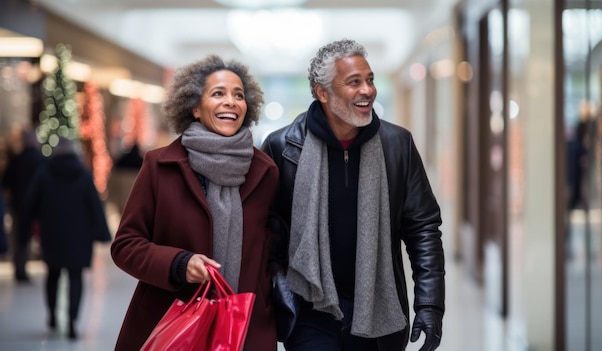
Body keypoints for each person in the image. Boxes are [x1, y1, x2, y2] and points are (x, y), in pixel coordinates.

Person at [261, 38, 445, 351]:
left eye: (370, 79)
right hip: (309, 312)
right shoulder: (283, 147)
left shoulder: (397, 144)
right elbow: (265, 233)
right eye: (354, 82)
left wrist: (429, 304)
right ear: (322, 92)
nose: (367, 90)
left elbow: (423, 228)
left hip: (377, 312)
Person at [110, 55, 279, 351]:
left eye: (238, 95)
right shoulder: (160, 166)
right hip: (174, 326)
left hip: (244, 329)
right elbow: (125, 245)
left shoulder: (265, 172)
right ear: (195, 108)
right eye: (218, 93)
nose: (230, 101)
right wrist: (178, 264)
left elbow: (272, 251)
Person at [20, 137, 111, 339]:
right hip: (80, 237)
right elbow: (96, 207)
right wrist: (103, 235)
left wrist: (26, 228)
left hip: (52, 234)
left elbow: (29, 203)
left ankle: (52, 315)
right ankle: (72, 322)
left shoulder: (44, 174)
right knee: (75, 278)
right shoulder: (85, 176)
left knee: (52, 275)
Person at [2, 128, 47, 283]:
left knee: (19, 237)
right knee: (32, 235)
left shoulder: (17, 159)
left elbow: (6, 180)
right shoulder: (41, 160)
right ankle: (26, 266)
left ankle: (19, 268)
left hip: (18, 205)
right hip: (36, 206)